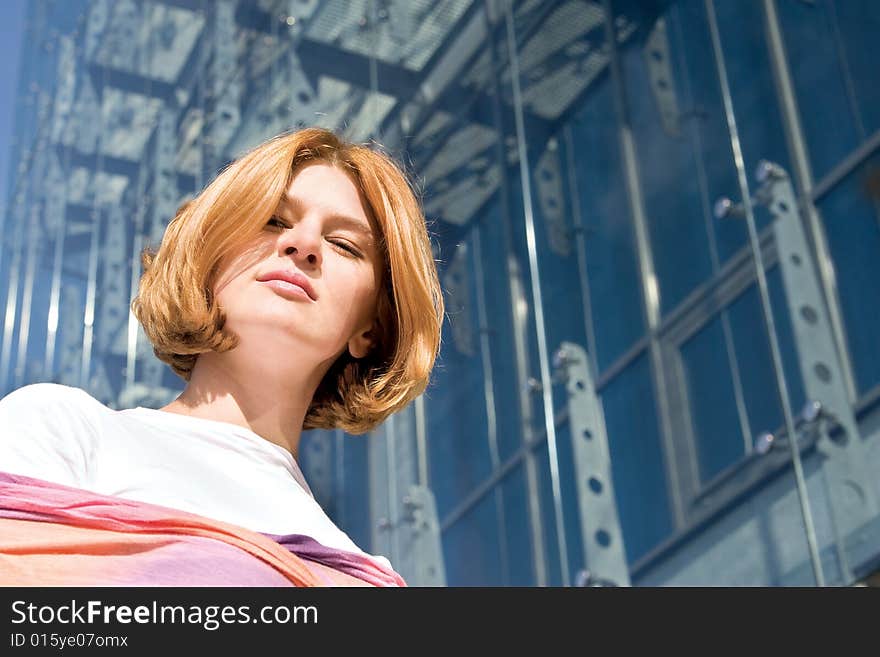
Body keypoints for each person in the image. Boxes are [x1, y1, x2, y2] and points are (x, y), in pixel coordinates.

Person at [0, 127, 444, 586]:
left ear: (370, 330)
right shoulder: (62, 432)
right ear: (209, 258)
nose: (303, 244)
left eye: (345, 245)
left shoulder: (366, 575)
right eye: (273, 220)